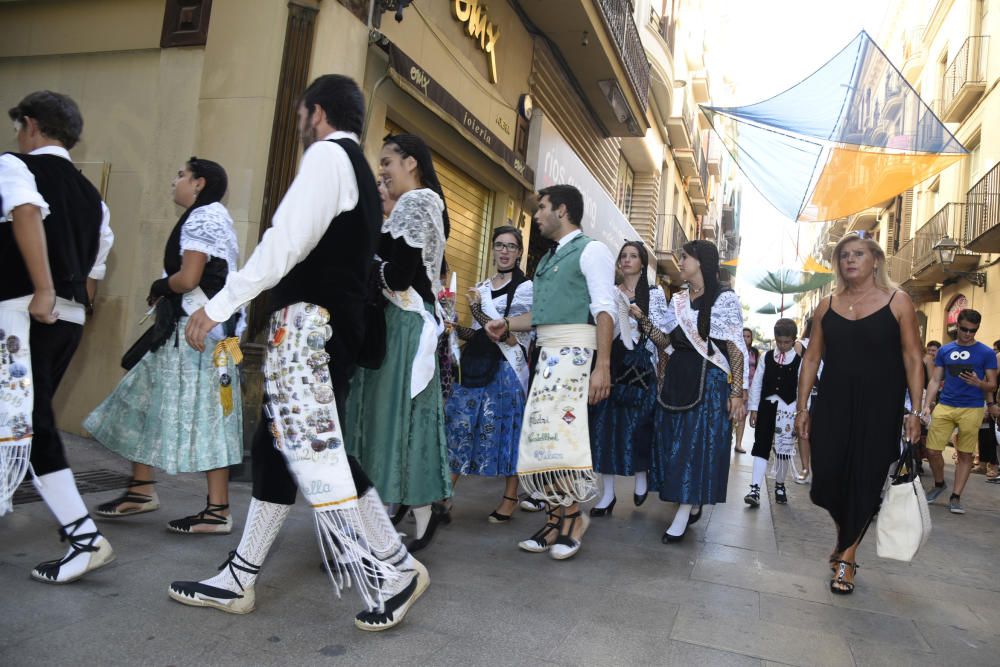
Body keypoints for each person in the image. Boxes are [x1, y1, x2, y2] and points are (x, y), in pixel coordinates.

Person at [170, 75, 427, 631]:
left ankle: (397, 566)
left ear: (317, 113)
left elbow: (284, 242)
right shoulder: (355, 167)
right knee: (277, 449)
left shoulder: (328, 159)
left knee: (313, 452)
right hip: (324, 328)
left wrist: (218, 306)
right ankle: (240, 575)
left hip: (309, 328)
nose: (297, 123)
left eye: (299, 113)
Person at [84, 158, 244, 534]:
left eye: (181, 175)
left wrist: (160, 287)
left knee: (209, 416)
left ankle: (218, 511)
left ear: (199, 183)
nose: (175, 182)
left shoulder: (204, 217)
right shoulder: (209, 215)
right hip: (192, 330)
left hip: (196, 333)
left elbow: (189, 278)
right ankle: (140, 490)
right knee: (140, 399)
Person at [1, 90, 115, 582]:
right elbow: (99, 257)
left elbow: (25, 212)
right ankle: (81, 535)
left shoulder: (15, 166)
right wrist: (68, 297)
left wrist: (43, 288)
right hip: (66, 317)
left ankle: (85, 537)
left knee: (31, 422)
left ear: (30, 125)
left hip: (20, 311)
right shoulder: (93, 195)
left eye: (18, 128)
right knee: (25, 419)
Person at [484, 184, 615, 559]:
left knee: (563, 438)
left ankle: (573, 518)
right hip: (548, 355)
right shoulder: (547, 259)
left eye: (541, 208)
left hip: (577, 355)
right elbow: (541, 316)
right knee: (545, 439)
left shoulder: (592, 250)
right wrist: (508, 325)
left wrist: (602, 367)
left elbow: (605, 310)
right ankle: (557, 518)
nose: (536, 215)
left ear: (562, 210)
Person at [797, 233, 923, 595]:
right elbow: (811, 359)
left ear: (876, 261)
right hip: (834, 403)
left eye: (858, 254)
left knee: (865, 478)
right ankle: (844, 539)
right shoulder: (826, 305)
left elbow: (913, 357)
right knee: (830, 476)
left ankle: (847, 558)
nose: (850, 260)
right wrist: (803, 406)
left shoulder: (898, 302)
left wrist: (916, 411)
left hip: (880, 406)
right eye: (844, 256)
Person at [344, 133, 451, 553]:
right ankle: (409, 512)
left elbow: (398, 276)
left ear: (411, 162)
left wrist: (364, 266)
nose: (382, 169)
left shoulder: (416, 202)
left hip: (403, 325)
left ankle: (407, 515)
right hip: (403, 322)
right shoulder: (421, 204)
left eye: (387, 161)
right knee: (397, 421)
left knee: (391, 422)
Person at [650, 240, 748, 543]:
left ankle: (683, 511)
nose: (681, 263)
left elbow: (734, 348)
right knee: (674, 444)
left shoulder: (725, 299)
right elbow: (665, 342)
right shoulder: (678, 299)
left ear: (701, 262)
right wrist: (642, 320)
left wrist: (736, 393)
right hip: (679, 381)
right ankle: (689, 501)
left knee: (694, 448)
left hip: (708, 385)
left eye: (685, 258)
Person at [446, 226, 533, 522]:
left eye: (511, 246)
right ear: (493, 249)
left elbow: (507, 336)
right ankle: (445, 495)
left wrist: (478, 312)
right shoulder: (482, 287)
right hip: (475, 367)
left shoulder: (525, 288)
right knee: (460, 427)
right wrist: (454, 328)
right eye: (500, 245)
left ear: (519, 252)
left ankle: (509, 498)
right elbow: (479, 335)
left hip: (506, 371)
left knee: (506, 432)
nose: (505, 251)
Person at [588, 241, 668, 516]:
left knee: (640, 426)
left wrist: (642, 318)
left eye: (633, 256)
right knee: (605, 427)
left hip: (643, 367)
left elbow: (663, 337)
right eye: (623, 256)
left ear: (643, 262)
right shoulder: (608, 292)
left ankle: (641, 477)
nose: (626, 260)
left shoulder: (655, 294)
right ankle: (607, 494)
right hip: (613, 362)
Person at [920, 309, 997, 514]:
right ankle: (939, 484)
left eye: (972, 330)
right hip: (946, 405)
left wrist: (979, 383)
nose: (967, 334)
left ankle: (956, 496)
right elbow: (935, 380)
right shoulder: (945, 350)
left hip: (972, 408)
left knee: (965, 454)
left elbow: (992, 385)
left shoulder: (987, 353)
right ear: (957, 327)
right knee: (932, 450)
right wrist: (927, 405)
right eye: (963, 329)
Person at [746, 318, 800, 508]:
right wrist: (754, 408)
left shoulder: (800, 361)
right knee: (761, 445)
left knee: (784, 450)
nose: (783, 346)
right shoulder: (766, 357)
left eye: (787, 342)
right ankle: (754, 488)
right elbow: (757, 383)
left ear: (794, 339)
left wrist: (801, 413)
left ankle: (779, 485)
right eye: (779, 342)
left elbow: (803, 388)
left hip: (788, 410)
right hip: (767, 407)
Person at [733, 327, 759, 454]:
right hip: (736, 386)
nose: (745, 338)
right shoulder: (735, 349)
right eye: (743, 335)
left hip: (750, 388)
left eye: (748, 336)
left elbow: (758, 371)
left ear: (751, 339)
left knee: (743, 416)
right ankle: (728, 440)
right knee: (732, 415)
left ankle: (738, 444)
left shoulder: (755, 353)